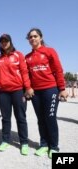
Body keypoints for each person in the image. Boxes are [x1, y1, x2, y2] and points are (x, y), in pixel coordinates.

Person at [25, 28, 68, 159]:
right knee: (41, 119)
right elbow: (26, 75)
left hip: (50, 89)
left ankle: (54, 146)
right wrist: (28, 88)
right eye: (30, 37)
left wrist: (62, 88)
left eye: (35, 36)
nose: (33, 39)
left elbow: (58, 70)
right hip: (35, 92)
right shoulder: (27, 57)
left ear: (41, 37)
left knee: (50, 118)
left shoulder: (50, 51)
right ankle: (43, 144)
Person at [0, 34, 34, 155]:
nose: (4, 43)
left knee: (21, 117)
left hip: (18, 91)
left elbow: (24, 72)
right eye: (1, 41)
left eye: (6, 41)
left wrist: (28, 87)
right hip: (3, 92)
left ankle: (24, 142)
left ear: (10, 42)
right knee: (5, 118)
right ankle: (5, 140)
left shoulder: (18, 55)